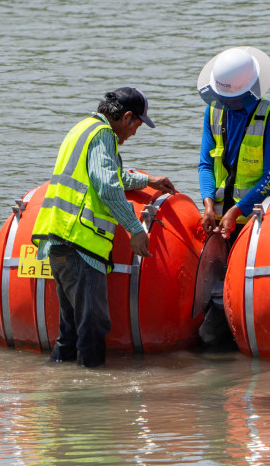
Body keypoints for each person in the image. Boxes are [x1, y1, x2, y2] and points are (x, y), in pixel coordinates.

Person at [32, 87, 176, 368]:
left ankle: (61, 387)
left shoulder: (83, 128)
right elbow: (108, 186)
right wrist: (135, 229)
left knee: (70, 331)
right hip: (81, 243)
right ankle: (90, 397)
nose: (134, 133)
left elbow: (109, 173)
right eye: (137, 125)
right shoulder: (103, 135)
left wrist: (147, 180)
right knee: (93, 327)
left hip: (57, 238)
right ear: (126, 117)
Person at [196, 46, 270, 346]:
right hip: (217, 222)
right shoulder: (213, 111)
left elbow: (269, 179)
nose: (226, 105)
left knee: (239, 295)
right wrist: (209, 204)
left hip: (254, 223)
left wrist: (236, 213)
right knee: (210, 295)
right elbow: (206, 163)